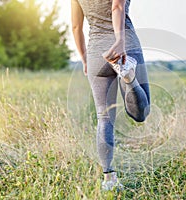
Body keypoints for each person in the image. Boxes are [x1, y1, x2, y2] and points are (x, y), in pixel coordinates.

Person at [71, 0, 150, 191]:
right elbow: (117, 7)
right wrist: (119, 42)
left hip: (97, 52)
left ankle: (109, 180)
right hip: (125, 44)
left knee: (104, 117)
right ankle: (129, 77)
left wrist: (84, 59)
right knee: (141, 113)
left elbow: (76, 26)